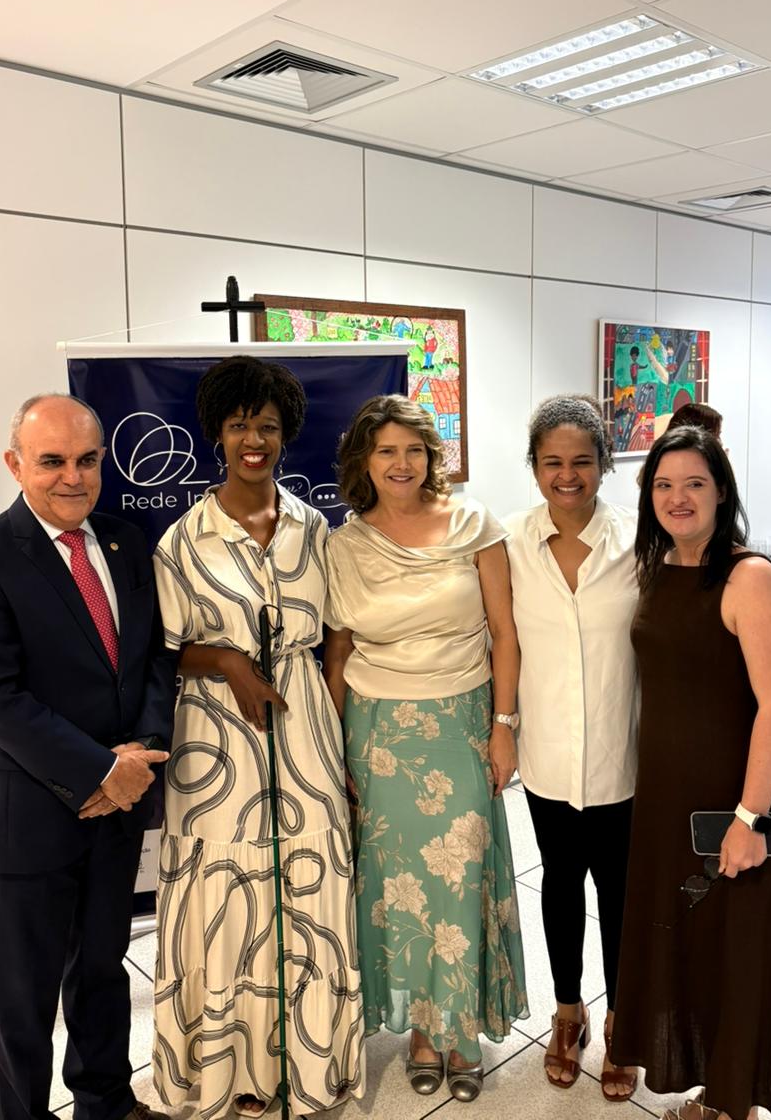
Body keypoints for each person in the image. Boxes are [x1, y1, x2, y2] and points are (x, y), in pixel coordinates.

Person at [0, 394, 174, 1120]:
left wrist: (136, 757)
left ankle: (105, 1101)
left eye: (87, 460)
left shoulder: (130, 542)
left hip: (118, 808)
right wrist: (102, 771)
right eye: (52, 462)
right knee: (23, 999)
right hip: (29, 818)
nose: (74, 477)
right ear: (16, 465)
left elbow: (155, 662)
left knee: (102, 972)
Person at [151, 356, 364, 1120]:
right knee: (227, 897)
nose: (254, 439)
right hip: (216, 735)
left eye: (268, 427)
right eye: (240, 424)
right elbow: (164, 649)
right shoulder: (182, 540)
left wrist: (338, 747)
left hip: (303, 722)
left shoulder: (317, 529)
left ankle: (307, 1071)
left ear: (286, 436)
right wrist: (229, 662)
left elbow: (336, 640)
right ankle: (229, 1073)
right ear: (217, 432)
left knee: (308, 891)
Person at [612, 425, 771, 1120]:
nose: (678, 497)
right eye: (663, 484)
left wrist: (748, 818)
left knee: (738, 960)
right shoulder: (657, 567)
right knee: (697, 954)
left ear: (721, 492)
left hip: (736, 805)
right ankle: (714, 1090)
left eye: (694, 483)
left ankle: (732, 1102)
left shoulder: (749, 577)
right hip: (669, 801)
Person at [324, 394, 528, 1104]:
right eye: (385, 451)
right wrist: (335, 748)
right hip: (378, 735)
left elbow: (505, 632)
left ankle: (461, 1032)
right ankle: (419, 1028)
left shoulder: (476, 524)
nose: (401, 463)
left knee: (458, 880)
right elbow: (339, 652)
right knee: (396, 890)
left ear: (431, 455)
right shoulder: (344, 544)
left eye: (412, 449)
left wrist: (505, 724)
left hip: (463, 723)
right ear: (365, 462)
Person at [504, 395, 639, 1100]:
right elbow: (498, 641)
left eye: (581, 462)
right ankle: (567, 1010)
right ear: (534, 468)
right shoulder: (509, 544)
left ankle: (621, 1020)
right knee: (560, 883)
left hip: (623, 752)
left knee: (618, 893)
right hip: (549, 754)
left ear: (602, 465)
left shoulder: (638, 542)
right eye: (553, 462)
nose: (567, 476)